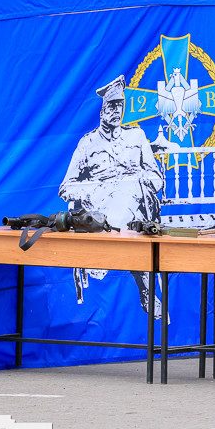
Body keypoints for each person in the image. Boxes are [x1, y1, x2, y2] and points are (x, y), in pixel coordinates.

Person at [59, 75, 164, 314]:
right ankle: (146, 290)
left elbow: (156, 178)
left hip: (138, 208)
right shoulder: (88, 143)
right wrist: (95, 190)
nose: (117, 111)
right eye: (112, 106)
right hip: (102, 210)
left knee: (128, 192)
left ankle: (102, 260)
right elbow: (66, 187)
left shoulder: (136, 137)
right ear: (102, 110)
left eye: (120, 106)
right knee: (125, 217)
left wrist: (136, 181)